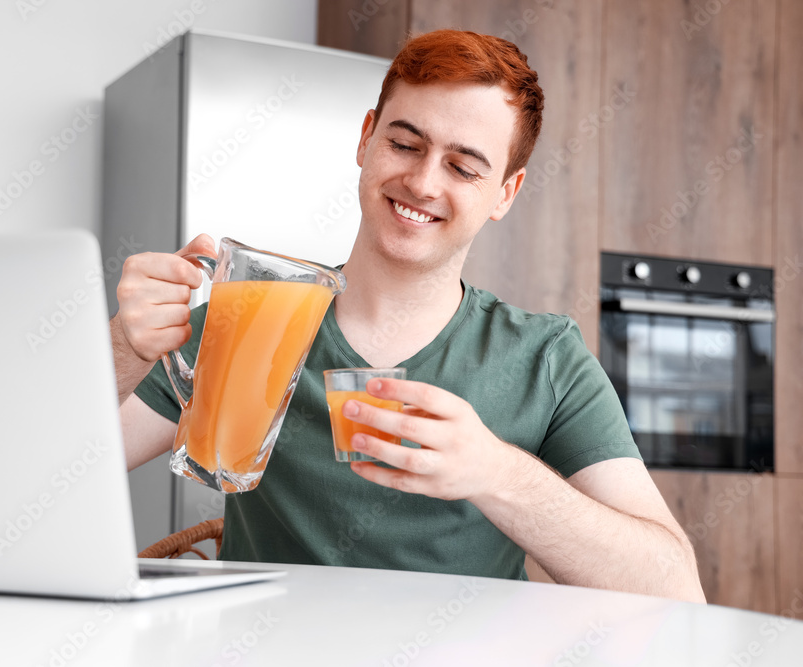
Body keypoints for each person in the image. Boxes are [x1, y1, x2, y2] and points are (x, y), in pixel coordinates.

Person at [110, 29, 705, 603]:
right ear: (366, 139)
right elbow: (46, 478)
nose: (422, 182)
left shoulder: (545, 360)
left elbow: (674, 589)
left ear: (505, 192)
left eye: (464, 167)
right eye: (405, 143)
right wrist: (122, 347)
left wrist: (496, 473)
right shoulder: (252, 315)